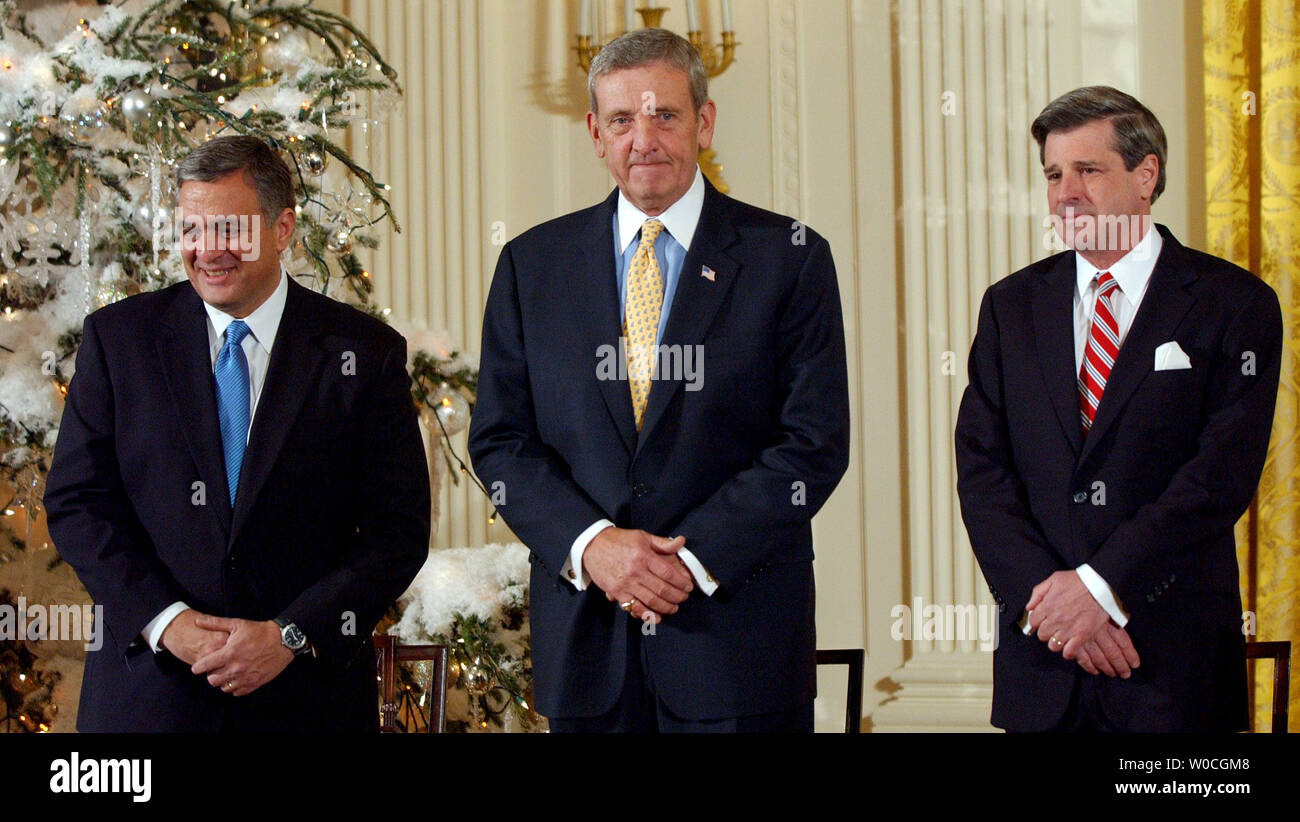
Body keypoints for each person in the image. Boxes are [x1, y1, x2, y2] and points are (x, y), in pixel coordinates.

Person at [468, 29, 849, 732]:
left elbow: (814, 443)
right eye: (622, 119)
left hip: (738, 649)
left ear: (703, 122)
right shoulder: (531, 266)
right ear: (595, 133)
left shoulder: (788, 259)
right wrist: (595, 546)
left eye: (665, 115)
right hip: (588, 652)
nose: (644, 139)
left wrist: (691, 561)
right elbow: (499, 443)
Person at [43, 135, 430, 732]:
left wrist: (290, 634)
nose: (207, 251)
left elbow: (396, 532)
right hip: (148, 701)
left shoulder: (362, 353)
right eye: (192, 230)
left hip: (305, 701)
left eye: (229, 229)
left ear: (282, 228)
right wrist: (166, 621)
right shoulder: (120, 341)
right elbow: (77, 503)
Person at [955, 86, 1281, 732]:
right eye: (1053, 175)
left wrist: (1101, 590)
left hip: (1171, 674)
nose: (1064, 193)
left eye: (1087, 170)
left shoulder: (1234, 304)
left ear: (1146, 174)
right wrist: (1053, 607)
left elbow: (1217, 479)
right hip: (1044, 673)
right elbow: (983, 475)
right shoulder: (1010, 308)